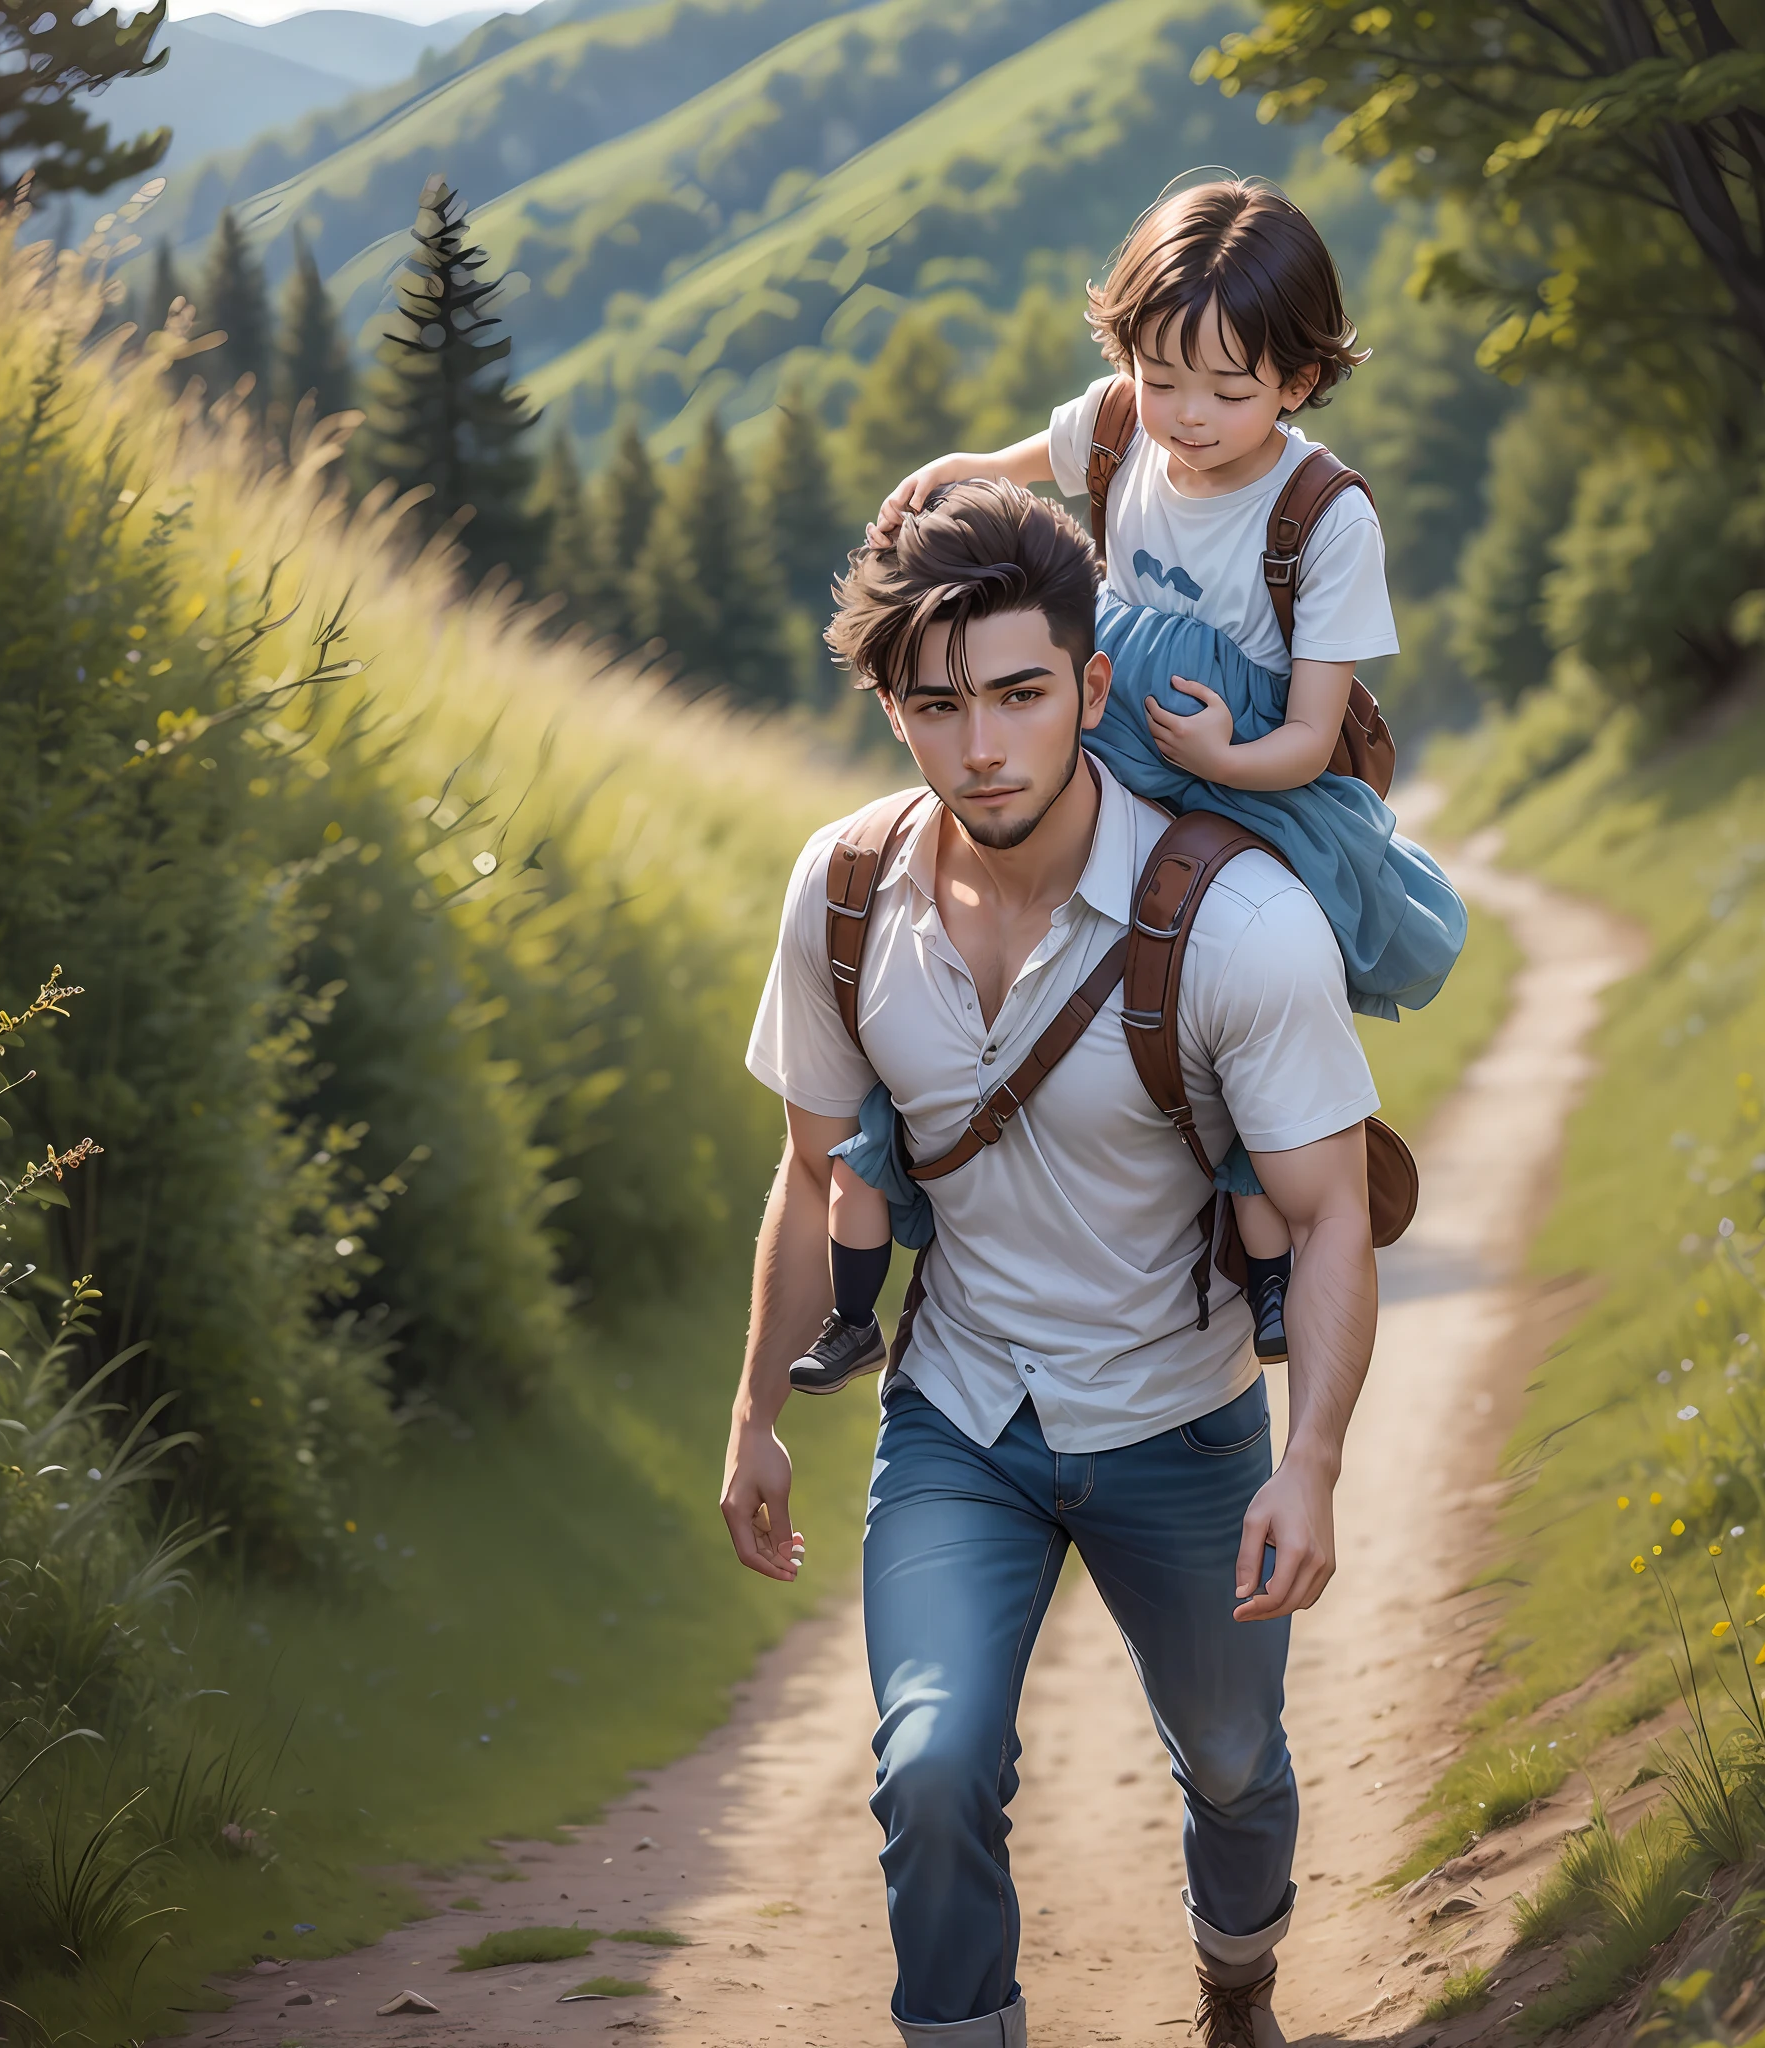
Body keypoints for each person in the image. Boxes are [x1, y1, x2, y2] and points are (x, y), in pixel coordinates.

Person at [720, 477, 1381, 2047]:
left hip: (1183, 1419)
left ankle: (1238, 1980)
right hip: (958, 1422)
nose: (985, 745)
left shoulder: (1238, 924)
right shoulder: (840, 894)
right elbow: (815, 1174)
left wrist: (1319, 1461)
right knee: (931, 1769)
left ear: (1090, 687)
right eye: (939, 706)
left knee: (1232, 1764)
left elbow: (1336, 1206)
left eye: (1021, 695)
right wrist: (752, 1411)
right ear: (895, 709)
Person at [786, 179, 1462, 1400]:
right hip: (1102, 734)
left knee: (1247, 967)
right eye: (1161, 379)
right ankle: (879, 1233)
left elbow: (1310, 736)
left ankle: (1268, 1253)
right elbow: (1016, 459)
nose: (1185, 417)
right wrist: (951, 471)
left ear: (1299, 381)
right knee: (958, 915)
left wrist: (1216, 763)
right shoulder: (1118, 429)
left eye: (1226, 389)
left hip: (1240, 773)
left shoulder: (1320, 516)